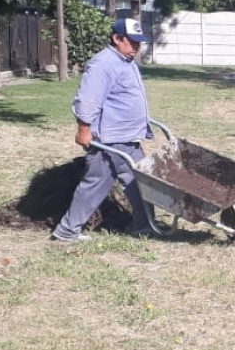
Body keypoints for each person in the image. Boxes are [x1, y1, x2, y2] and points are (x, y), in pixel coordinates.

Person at [51, 17, 157, 242]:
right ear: (117, 38)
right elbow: (88, 100)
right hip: (108, 141)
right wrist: (84, 129)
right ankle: (67, 231)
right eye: (132, 42)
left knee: (141, 182)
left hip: (128, 138)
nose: (136, 48)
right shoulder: (104, 63)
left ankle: (144, 225)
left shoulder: (125, 62)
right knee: (95, 186)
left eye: (139, 43)